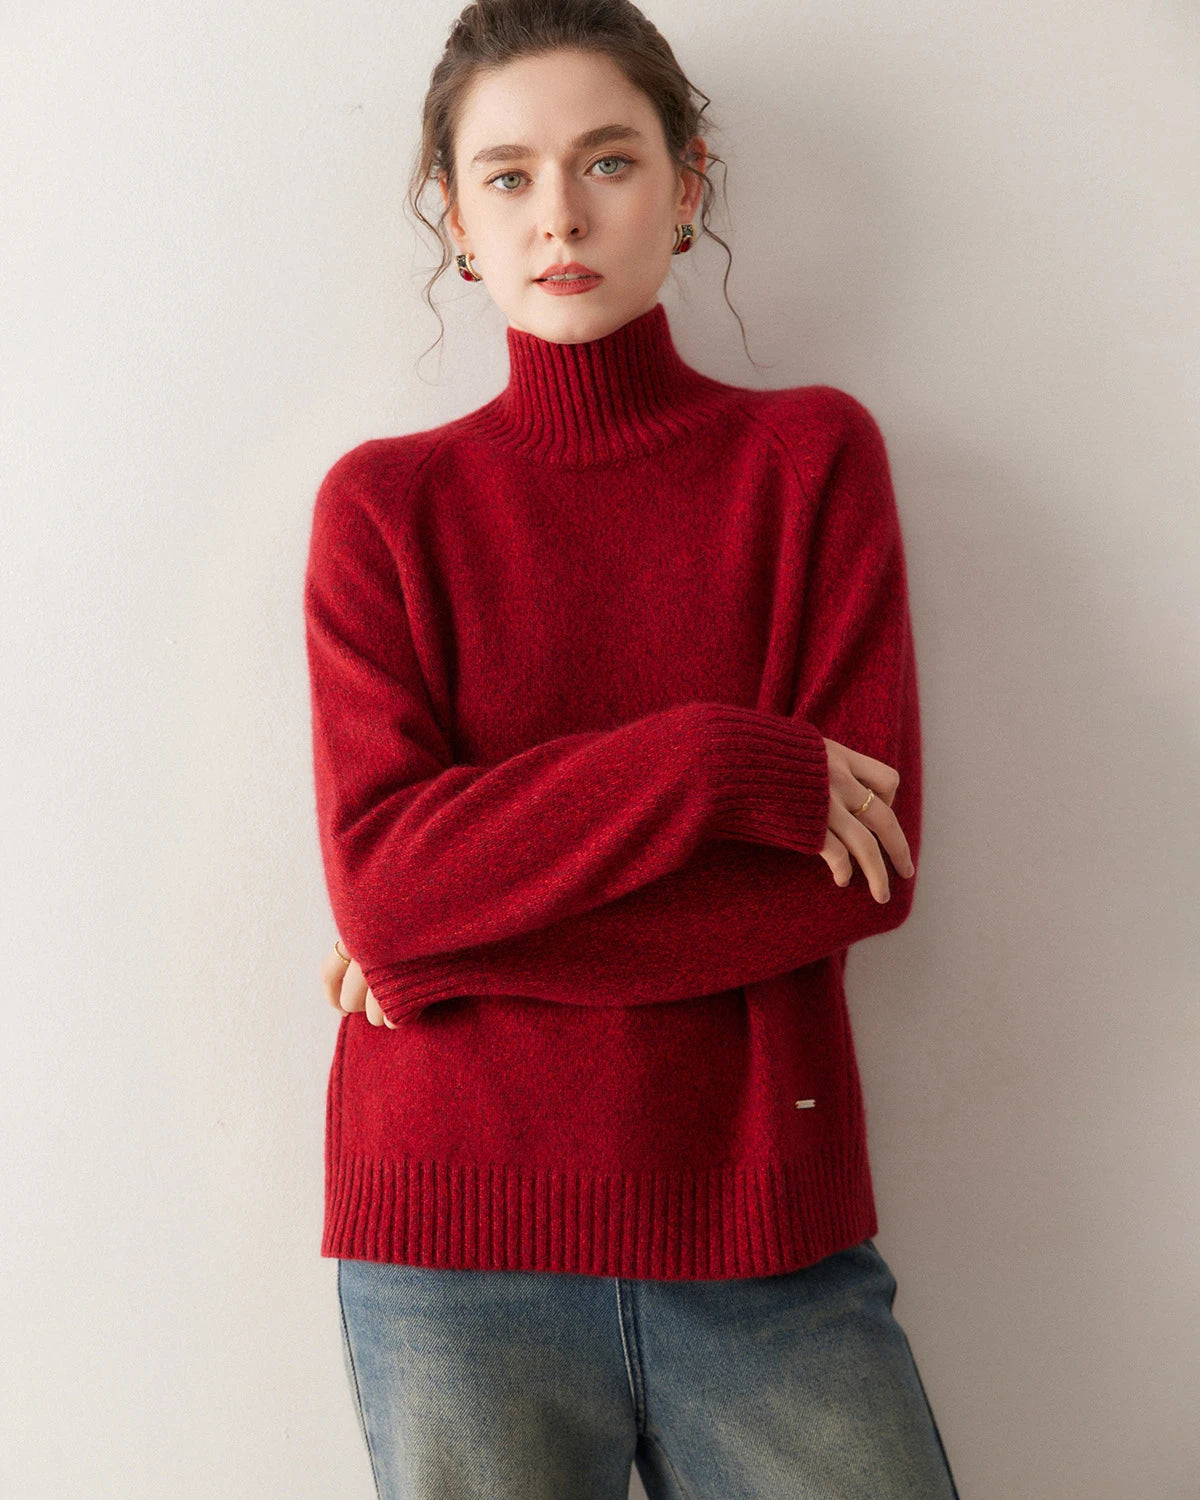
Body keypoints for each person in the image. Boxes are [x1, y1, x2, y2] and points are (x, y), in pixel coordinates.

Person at [303, 1, 960, 1495]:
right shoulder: (384, 510)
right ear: (456, 218)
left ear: (686, 185)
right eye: (509, 175)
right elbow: (384, 886)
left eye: (608, 161)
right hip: (451, 1246)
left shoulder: (808, 461)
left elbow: (858, 880)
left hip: (760, 1225)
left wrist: (447, 949)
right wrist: (712, 768)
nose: (560, 215)